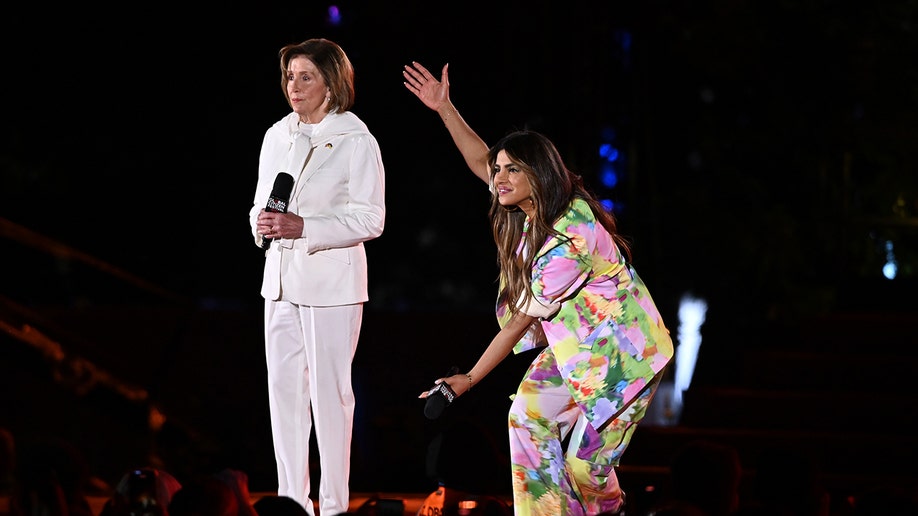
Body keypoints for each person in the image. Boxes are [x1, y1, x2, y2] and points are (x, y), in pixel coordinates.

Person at [404, 61, 674, 515]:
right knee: (527, 418)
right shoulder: (529, 210)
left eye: (512, 170)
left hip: (626, 360)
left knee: (587, 470)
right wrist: (445, 108)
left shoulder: (570, 238)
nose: (499, 178)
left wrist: (466, 380)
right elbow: (478, 160)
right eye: (500, 169)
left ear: (539, 176)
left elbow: (518, 324)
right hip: (576, 348)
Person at [249, 38, 386, 516]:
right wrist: (261, 224)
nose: (294, 86)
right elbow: (261, 202)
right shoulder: (277, 135)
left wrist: (305, 227)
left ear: (332, 82)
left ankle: (331, 505)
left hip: (331, 285)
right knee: (284, 392)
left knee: (330, 394)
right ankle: (292, 500)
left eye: (305, 76)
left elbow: (371, 219)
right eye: (289, 76)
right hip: (280, 280)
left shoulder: (356, 140)